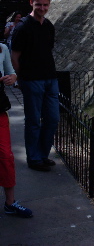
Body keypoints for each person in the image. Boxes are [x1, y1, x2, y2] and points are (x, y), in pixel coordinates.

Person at [11, 0, 59, 172]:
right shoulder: (22, 27)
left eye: (46, 5)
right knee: (33, 121)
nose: (42, 8)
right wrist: (21, 78)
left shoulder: (48, 26)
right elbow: (15, 56)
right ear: (32, 3)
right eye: (39, 4)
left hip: (50, 79)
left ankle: (42, 154)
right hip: (32, 81)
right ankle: (34, 158)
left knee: (53, 119)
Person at [0, 42, 33, 217]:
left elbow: (10, 73)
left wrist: (12, 78)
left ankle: (10, 203)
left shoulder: (2, 49)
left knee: (5, 156)